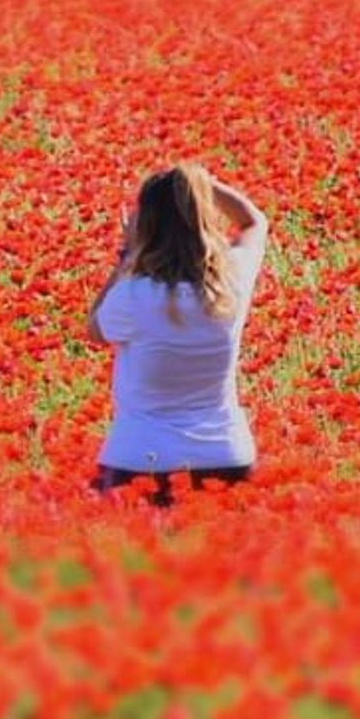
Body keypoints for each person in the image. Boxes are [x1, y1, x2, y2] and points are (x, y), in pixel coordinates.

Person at [86, 164, 269, 506]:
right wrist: (201, 186)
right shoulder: (229, 285)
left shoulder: (132, 296)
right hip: (225, 458)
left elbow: (95, 327)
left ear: (146, 228)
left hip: (141, 459)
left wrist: (127, 256)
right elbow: (253, 222)